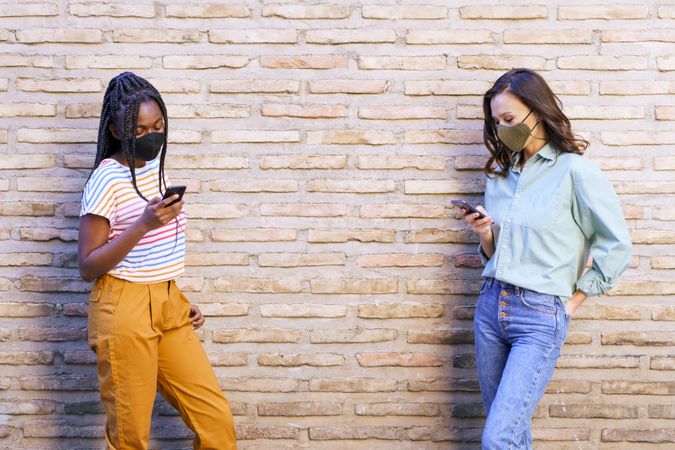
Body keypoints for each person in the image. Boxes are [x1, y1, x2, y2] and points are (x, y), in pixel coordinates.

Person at [458, 68, 632, 449]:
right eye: (496, 122)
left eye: (510, 119)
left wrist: (573, 302)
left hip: (539, 315)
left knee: (498, 438)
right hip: (490, 308)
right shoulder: (500, 177)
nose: (503, 129)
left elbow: (615, 244)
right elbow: (494, 253)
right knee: (512, 433)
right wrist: (485, 233)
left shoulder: (576, 172)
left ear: (537, 112)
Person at [78, 72, 237, 450]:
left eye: (159, 125)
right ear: (117, 131)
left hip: (167, 303)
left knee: (215, 422)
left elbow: (156, 253)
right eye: (141, 128)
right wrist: (144, 223)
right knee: (131, 437)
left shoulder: (154, 169)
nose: (153, 135)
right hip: (124, 308)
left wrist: (175, 298)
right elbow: (87, 265)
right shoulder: (107, 179)